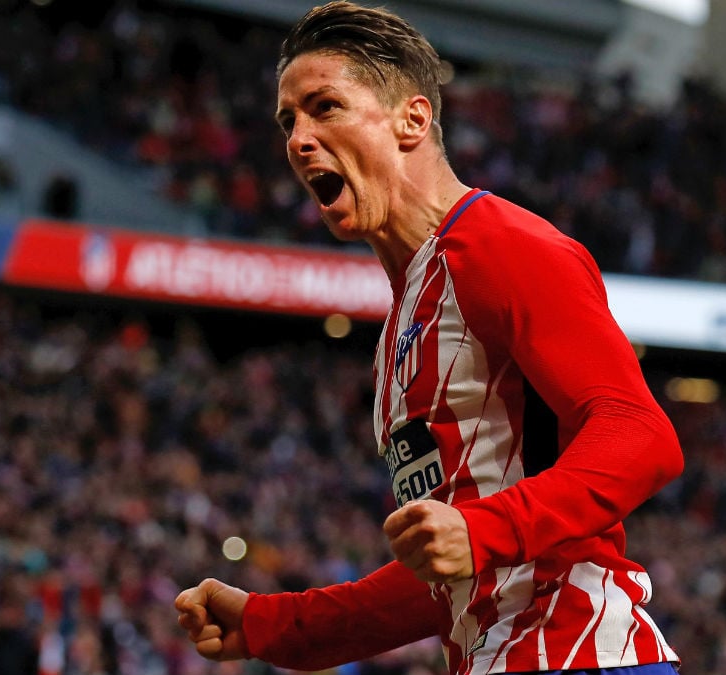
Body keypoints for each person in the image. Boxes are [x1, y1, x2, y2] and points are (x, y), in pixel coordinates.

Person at [175, 3, 684, 673]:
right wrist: (281, 624)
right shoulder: (398, 335)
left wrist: (483, 529)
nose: (299, 138)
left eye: (325, 107)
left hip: (581, 654)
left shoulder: (503, 245)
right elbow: (447, 576)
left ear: (413, 119)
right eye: (288, 119)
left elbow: (640, 433)